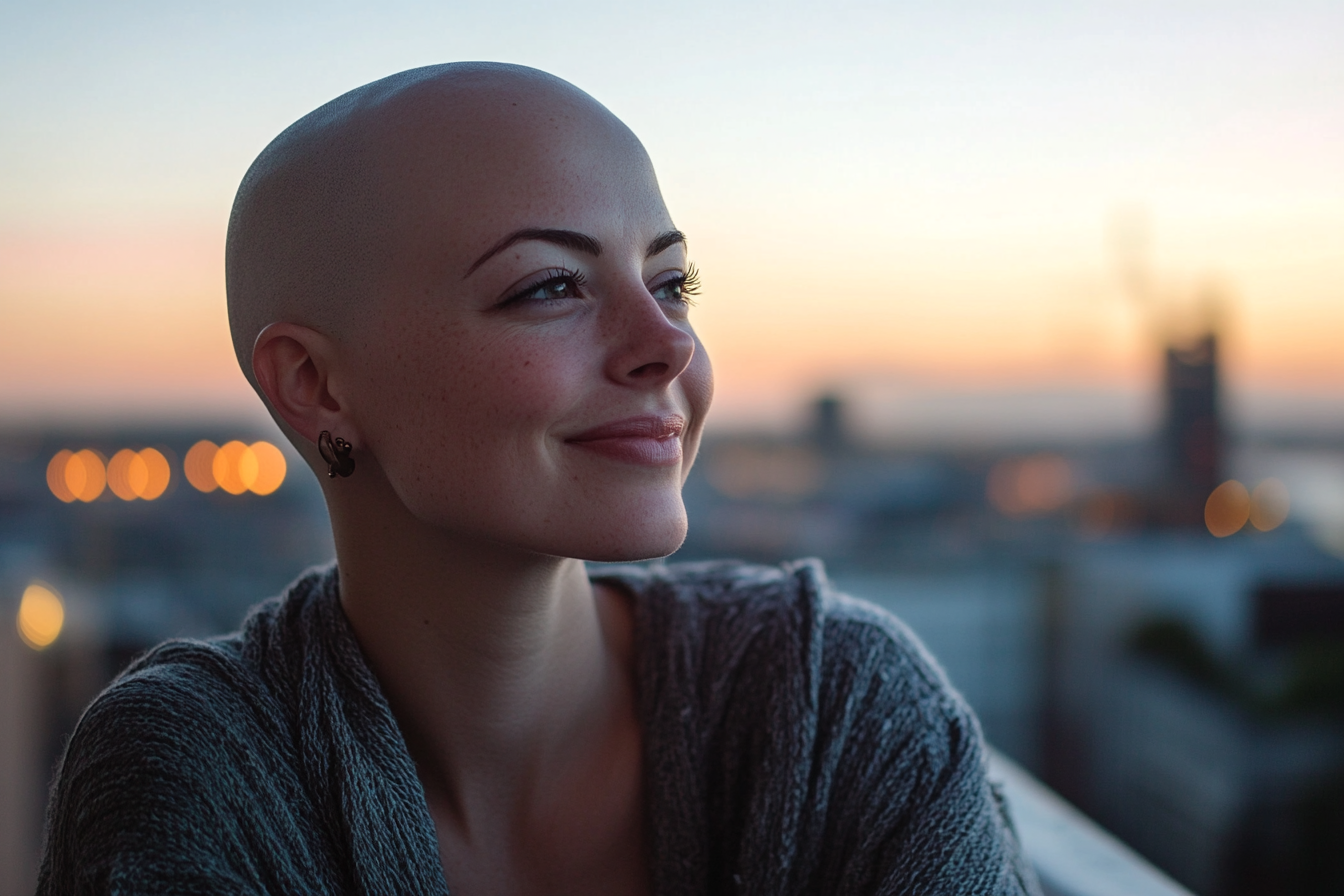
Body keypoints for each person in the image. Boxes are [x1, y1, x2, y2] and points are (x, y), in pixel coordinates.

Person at [38, 63, 1041, 895]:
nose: (667, 344)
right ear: (315, 386)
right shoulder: (190, 770)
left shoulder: (835, 704)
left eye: (670, 281)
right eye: (548, 285)